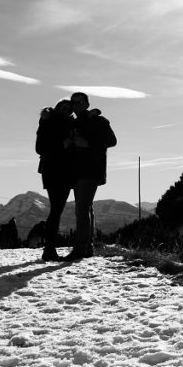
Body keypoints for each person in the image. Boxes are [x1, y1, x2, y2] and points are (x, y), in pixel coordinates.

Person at [63, 91, 117, 261]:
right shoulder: (74, 123)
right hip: (76, 171)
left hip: (91, 170)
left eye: (80, 102)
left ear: (87, 104)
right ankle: (87, 247)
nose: (76, 105)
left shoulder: (99, 121)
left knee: (81, 209)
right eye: (74, 102)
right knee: (85, 208)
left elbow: (112, 140)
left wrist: (88, 144)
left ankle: (80, 249)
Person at [35, 99, 75, 261]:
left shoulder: (70, 123)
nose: (65, 110)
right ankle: (49, 249)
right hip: (53, 170)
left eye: (68, 108)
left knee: (57, 210)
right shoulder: (48, 121)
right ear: (57, 108)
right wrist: (63, 146)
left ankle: (50, 249)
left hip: (65, 171)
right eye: (62, 107)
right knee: (56, 209)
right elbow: (40, 148)